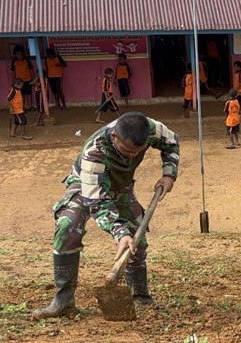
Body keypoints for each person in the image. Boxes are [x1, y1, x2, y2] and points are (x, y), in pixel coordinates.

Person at [31, 112, 180, 320]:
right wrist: (120, 234)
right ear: (114, 138)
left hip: (120, 186)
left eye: (137, 152)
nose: (131, 156)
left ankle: (140, 295)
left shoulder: (150, 128)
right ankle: (63, 301)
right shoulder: (95, 152)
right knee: (68, 226)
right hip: (86, 187)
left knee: (138, 236)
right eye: (126, 151)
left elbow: (171, 141)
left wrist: (169, 173)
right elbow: (97, 201)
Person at [10, 45, 35, 111]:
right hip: (19, 81)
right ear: (15, 54)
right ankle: (22, 107)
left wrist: (34, 78)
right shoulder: (14, 61)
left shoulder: (26, 60)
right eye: (18, 54)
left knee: (29, 93)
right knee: (21, 94)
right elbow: (13, 71)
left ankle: (30, 106)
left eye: (21, 54)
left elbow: (31, 69)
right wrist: (13, 80)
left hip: (28, 79)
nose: (19, 56)